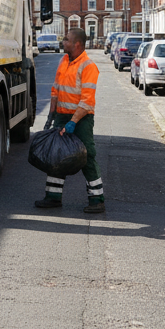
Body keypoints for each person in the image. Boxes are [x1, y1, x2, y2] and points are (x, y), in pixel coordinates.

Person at [35, 28, 105, 214]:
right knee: (56, 154)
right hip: (61, 116)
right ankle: (53, 196)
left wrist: (73, 122)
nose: (63, 42)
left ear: (77, 44)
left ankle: (97, 199)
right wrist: (51, 115)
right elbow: (56, 89)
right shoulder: (63, 61)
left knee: (86, 156)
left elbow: (87, 100)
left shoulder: (88, 66)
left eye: (66, 39)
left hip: (81, 118)